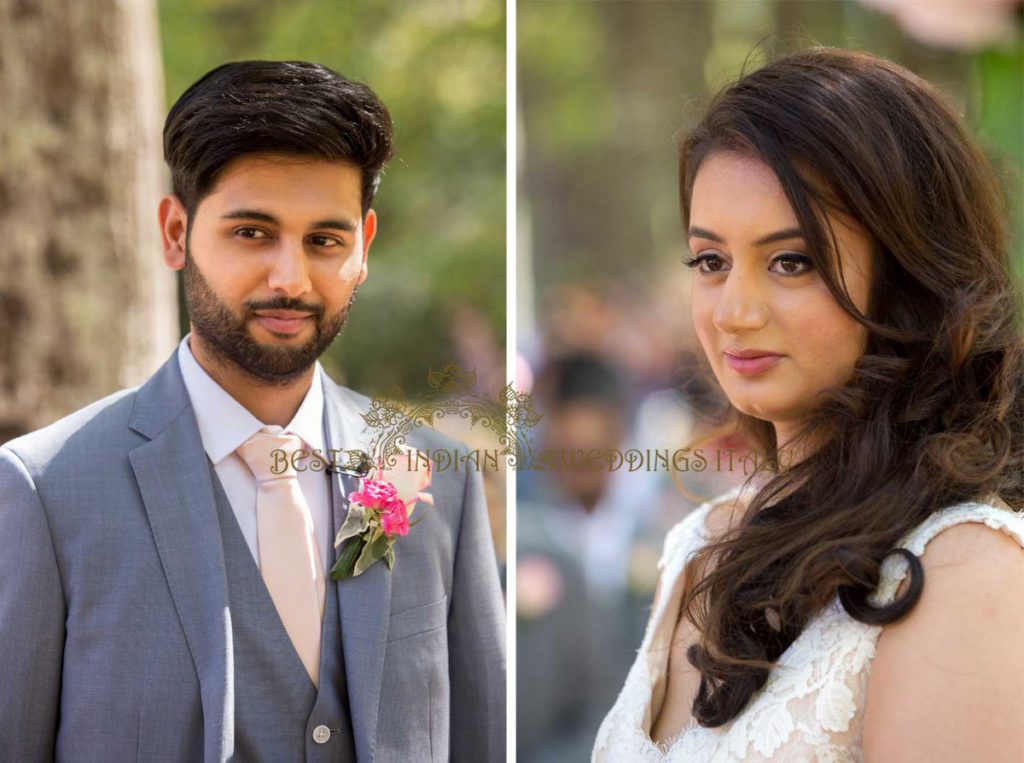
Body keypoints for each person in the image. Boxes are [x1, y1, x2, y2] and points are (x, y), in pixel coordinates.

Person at [0, 61, 505, 762]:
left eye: (324, 241)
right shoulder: (45, 491)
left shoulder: (438, 476)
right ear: (175, 232)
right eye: (252, 233)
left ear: (363, 248)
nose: (290, 279)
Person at [593, 47, 1023, 761]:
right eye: (711, 261)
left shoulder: (966, 570)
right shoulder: (700, 546)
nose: (734, 311)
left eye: (791, 261)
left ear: (907, 273)